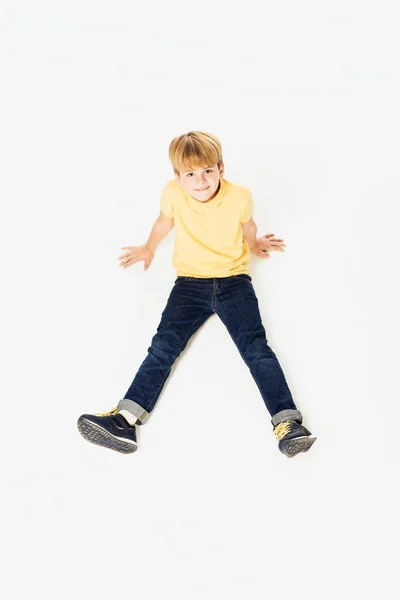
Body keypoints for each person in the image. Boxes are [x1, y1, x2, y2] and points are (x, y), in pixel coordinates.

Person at [77, 131, 316, 458]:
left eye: (207, 171)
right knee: (163, 346)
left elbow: (248, 226)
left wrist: (255, 244)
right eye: (190, 174)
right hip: (189, 284)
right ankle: (125, 421)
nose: (201, 181)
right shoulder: (172, 194)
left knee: (256, 349)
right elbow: (164, 221)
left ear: (221, 168)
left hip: (233, 281)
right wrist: (148, 248)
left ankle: (288, 424)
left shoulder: (239, 196)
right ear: (178, 177)